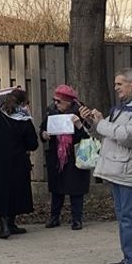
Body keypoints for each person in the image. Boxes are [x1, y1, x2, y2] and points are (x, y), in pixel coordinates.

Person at [80, 68, 132, 264]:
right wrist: (92, 122)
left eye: (119, 84)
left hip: (131, 171)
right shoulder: (122, 109)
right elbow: (106, 133)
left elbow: (130, 136)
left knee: (130, 218)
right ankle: (130, 258)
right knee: (125, 217)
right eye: (115, 84)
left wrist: (102, 123)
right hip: (120, 169)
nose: (116, 88)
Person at [0, 89, 39, 239]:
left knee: (1, 190)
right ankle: (11, 223)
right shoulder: (25, 120)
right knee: (16, 190)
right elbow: (33, 144)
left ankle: (5, 225)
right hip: (18, 161)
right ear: (22, 103)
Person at [41, 85, 90, 230]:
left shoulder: (80, 112)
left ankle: (77, 219)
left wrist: (79, 125)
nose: (55, 103)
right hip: (57, 155)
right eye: (54, 100)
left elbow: (88, 137)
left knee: (76, 189)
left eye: (59, 101)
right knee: (57, 188)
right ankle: (54, 217)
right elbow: (42, 128)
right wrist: (44, 134)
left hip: (75, 154)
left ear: (69, 102)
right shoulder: (51, 112)